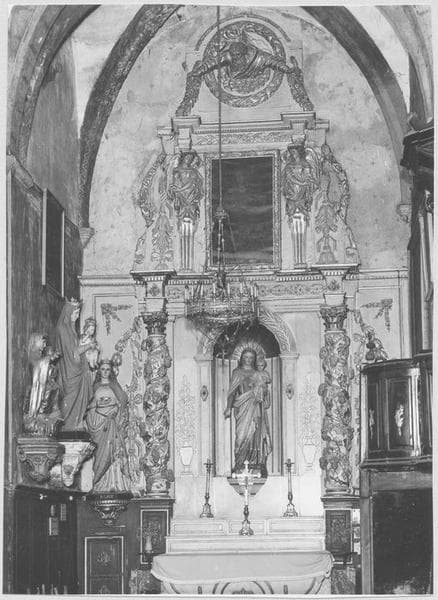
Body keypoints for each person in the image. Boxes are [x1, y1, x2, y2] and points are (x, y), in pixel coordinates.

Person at [224, 348, 272, 475]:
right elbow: (232, 392)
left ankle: (255, 463)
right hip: (242, 407)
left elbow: (265, 391)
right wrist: (228, 407)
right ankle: (240, 463)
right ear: (241, 358)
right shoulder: (237, 372)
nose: (248, 360)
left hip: (256, 407)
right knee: (241, 436)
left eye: (251, 358)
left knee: (255, 434)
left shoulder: (258, 373)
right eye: (246, 357)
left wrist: (263, 391)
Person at [85, 359, 131, 492]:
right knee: (99, 452)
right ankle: (99, 483)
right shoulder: (95, 386)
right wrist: (93, 414)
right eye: (103, 369)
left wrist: (115, 411)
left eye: (107, 369)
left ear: (111, 371)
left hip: (111, 421)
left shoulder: (114, 385)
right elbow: (90, 406)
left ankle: (114, 484)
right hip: (98, 423)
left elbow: (122, 402)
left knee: (113, 449)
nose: (105, 372)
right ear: (99, 371)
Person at [55, 298, 94, 432]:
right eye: (76, 313)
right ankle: (68, 424)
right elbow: (73, 353)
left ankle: (76, 423)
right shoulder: (63, 329)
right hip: (70, 370)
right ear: (68, 312)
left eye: (78, 313)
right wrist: (89, 345)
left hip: (77, 368)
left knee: (80, 396)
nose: (77, 316)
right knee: (70, 396)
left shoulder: (71, 329)